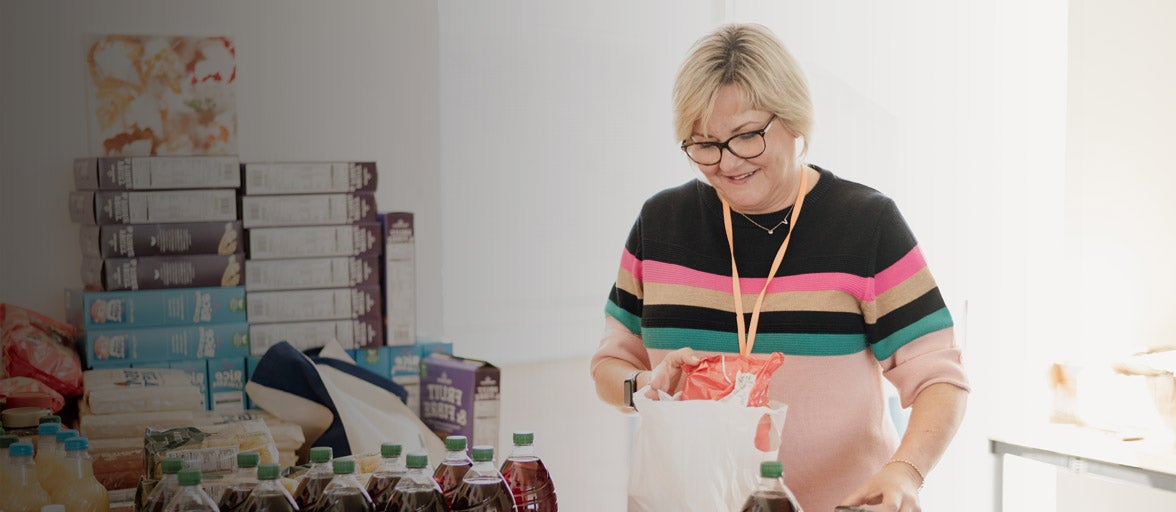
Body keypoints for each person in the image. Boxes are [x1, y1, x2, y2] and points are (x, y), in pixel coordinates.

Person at [589, 23, 969, 512]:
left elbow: (941, 378)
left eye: (746, 136)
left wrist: (905, 470)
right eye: (704, 144)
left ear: (793, 119)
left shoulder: (866, 224)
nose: (727, 163)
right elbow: (610, 365)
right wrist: (643, 386)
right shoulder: (660, 226)